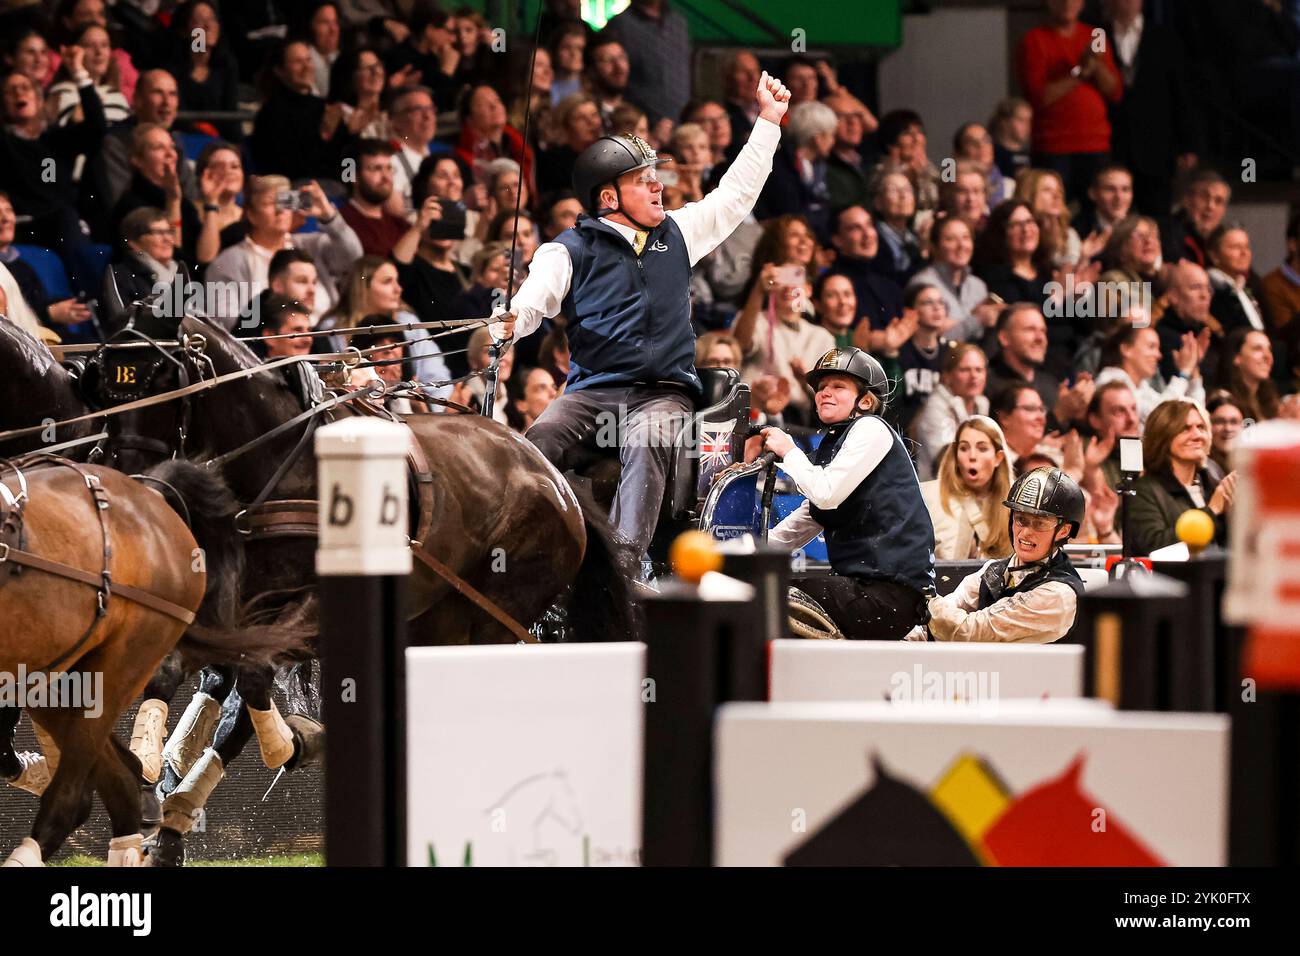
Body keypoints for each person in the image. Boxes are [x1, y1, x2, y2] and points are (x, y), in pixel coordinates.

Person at [491, 71, 792, 562]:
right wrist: (510, 322)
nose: (659, 186)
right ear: (609, 198)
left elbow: (735, 195)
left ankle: (625, 564)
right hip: (591, 392)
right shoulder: (566, 250)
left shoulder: (680, 232)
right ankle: (525, 552)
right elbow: (531, 304)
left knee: (647, 437)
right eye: (643, 179)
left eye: (657, 176)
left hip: (663, 392)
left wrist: (768, 122)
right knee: (539, 438)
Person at [765, 347, 936, 641]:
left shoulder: (871, 428)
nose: (824, 393)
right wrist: (746, 554)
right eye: (821, 387)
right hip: (866, 591)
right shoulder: (836, 445)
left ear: (866, 401)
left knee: (773, 599)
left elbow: (825, 493)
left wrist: (789, 450)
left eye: (838, 386)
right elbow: (810, 516)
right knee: (766, 591)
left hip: (891, 596)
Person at [918, 466, 1086, 643]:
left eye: (1039, 523)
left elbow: (970, 631)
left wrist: (923, 599)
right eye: (1021, 519)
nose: (1025, 533)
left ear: (1063, 531)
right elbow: (939, 620)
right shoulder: (992, 571)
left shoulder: (1058, 595)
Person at [1016, 0, 1122, 207]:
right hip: (1054, 145)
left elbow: (1115, 92)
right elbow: (1039, 96)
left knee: (1098, 208)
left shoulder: (1095, 35)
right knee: (1051, 206)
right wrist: (1079, 73)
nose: (1067, 3)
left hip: (1096, 143)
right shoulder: (1034, 40)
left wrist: (1096, 65)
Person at [1129, 398, 1234, 556]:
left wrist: (1233, 514)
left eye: (1201, 427)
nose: (1197, 435)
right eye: (1185, 429)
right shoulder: (1142, 491)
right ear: (1163, 436)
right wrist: (1212, 511)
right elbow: (1154, 547)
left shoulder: (1211, 483)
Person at [920, 415, 1013, 561]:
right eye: (964, 448)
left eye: (982, 449)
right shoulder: (926, 497)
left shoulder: (1015, 505)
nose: (972, 456)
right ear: (955, 456)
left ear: (998, 458)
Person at [910, 342, 990, 481]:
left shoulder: (982, 404)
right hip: (934, 488)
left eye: (979, 370)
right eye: (965, 370)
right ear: (947, 376)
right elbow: (945, 460)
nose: (973, 376)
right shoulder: (936, 405)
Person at [1096, 324, 1205, 424]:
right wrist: (1184, 372)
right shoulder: (1109, 381)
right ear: (1126, 349)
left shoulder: (1143, 387)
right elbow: (1158, 417)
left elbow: (1193, 413)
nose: (1159, 355)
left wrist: (1193, 368)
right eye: (1151, 347)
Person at [103, 206, 182, 328]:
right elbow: (125, 324)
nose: (167, 239)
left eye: (169, 232)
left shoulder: (180, 269)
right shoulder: (122, 276)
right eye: (158, 233)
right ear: (134, 243)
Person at [340, 139, 409, 256]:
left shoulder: (399, 224)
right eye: (376, 168)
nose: (386, 177)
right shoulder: (343, 224)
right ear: (354, 177)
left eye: (389, 168)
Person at [1214, 327, 1279, 422]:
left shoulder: (1270, 400)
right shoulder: (1223, 401)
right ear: (1236, 357)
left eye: (1269, 349)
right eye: (1258, 349)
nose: (1268, 357)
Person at [258, 294, 314, 359]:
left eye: (309, 330)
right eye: (297, 330)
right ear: (270, 337)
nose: (308, 339)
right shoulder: (252, 369)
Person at [1206, 390, 1245, 475]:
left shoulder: (1251, 464)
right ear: (1207, 425)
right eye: (1219, 421)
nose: (1227, 428)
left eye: (1234, 422)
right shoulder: (1201, 470)